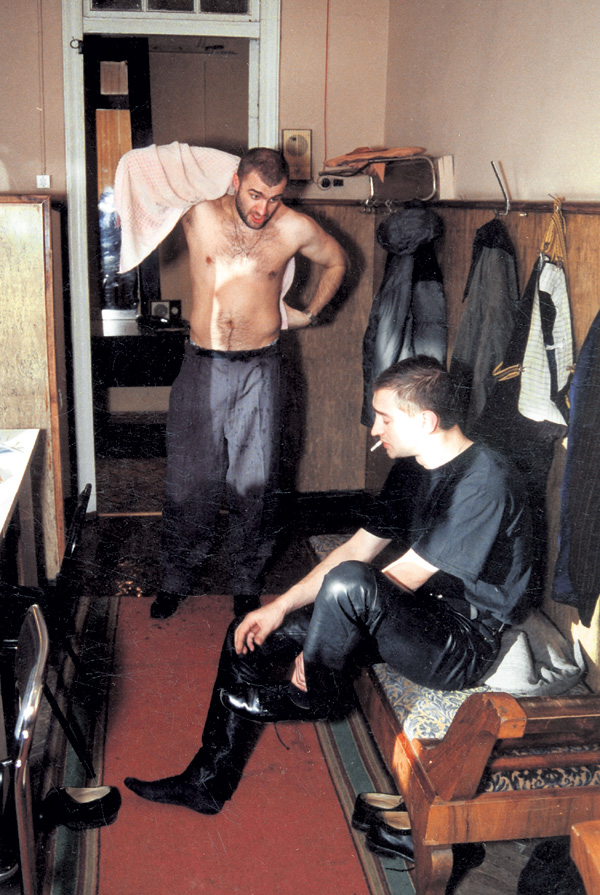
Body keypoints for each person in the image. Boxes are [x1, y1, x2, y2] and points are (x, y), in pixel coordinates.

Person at [124, 356, 534, 818]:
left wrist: (322, 643)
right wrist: (278, 607)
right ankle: (207, 781)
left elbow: (400, 576)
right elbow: (357, 548)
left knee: (349, 584)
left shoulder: (484, 481)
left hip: (460, 645)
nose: (375, 430)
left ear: (425, 421)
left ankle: (316, 697)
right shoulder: (414, 466)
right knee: (250, 632)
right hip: (411, 617)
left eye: (384, 418)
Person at [150, 147, 347, 620]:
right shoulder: (199, 215)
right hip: (203, 365)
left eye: (274, 198)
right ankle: (175, 579)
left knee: (255, 484)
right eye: (256, 194)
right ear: (236, 182)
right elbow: (148, 176)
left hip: (261, 367)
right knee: (188, 482)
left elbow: (337, 261)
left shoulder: (294, 227)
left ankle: (245, 581)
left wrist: (310, 313)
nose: (263, 209)